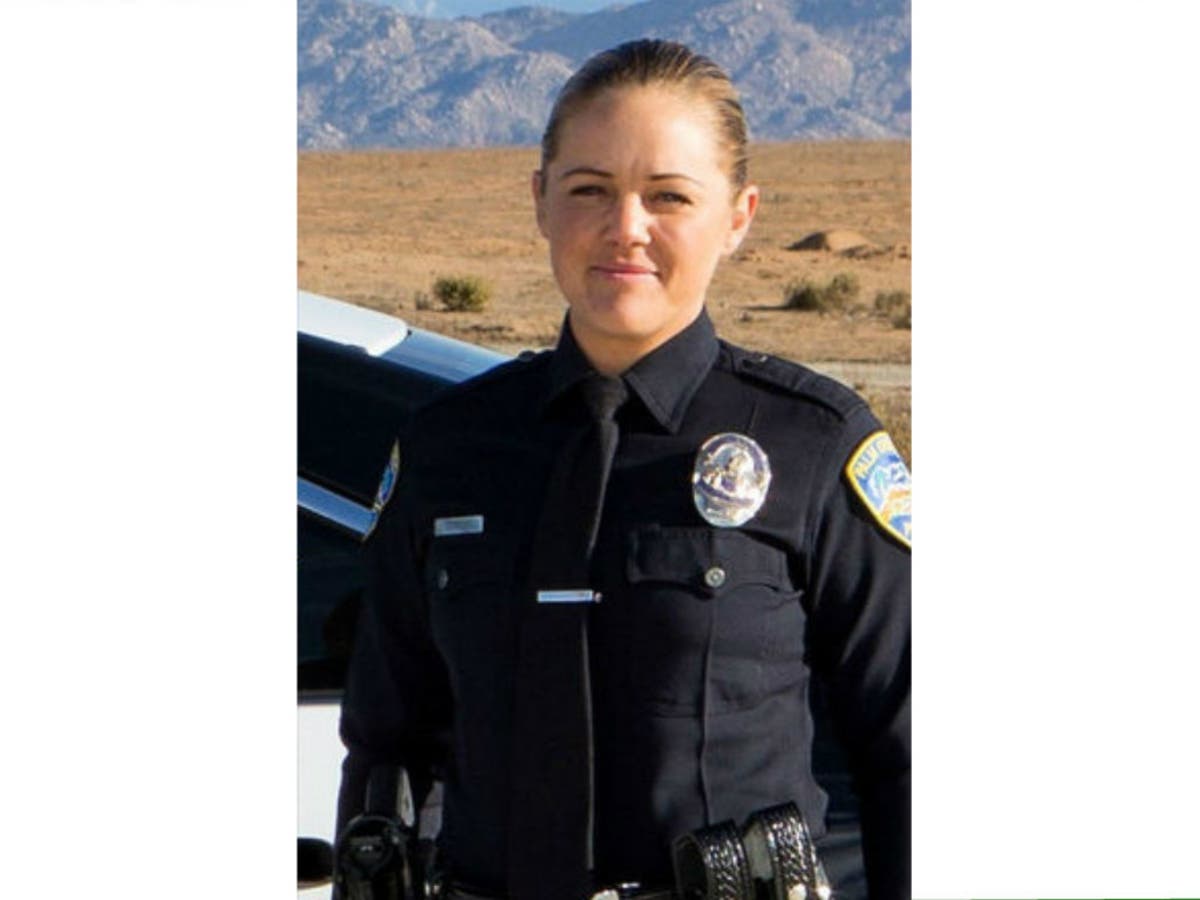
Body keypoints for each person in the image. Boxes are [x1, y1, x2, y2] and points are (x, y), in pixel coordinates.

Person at [335, 39, 910, 900]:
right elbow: (385, 752)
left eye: (669, 195)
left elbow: (908, 751)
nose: (626, 227)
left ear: (739, 215)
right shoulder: (447, 450)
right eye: (589, 190)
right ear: (540, 200)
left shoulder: (812, 446)